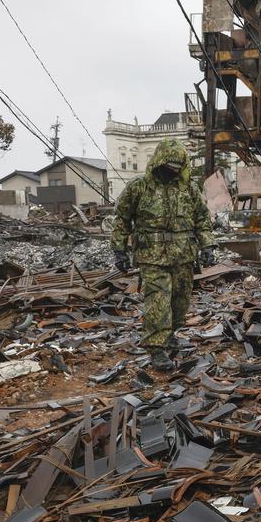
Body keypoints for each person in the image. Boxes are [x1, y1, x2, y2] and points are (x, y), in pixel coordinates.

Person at [111, 138, 214, 372]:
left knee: (180, 301)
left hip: (183, 256)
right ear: (159, 162)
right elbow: (122, 220)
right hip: (152, 257)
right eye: (170, 165)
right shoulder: (139, 187)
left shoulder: (188, 188)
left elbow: (202, 219)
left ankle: (170, 335)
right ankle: (156, 348)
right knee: (158, 301)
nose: (174, 171)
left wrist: (208, 245)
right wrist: (119, 249)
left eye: (178, 166)